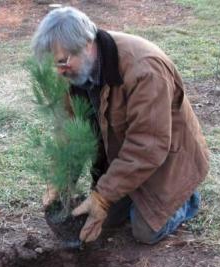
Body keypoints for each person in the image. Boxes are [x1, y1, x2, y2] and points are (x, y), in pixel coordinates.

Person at [32, 7, 210, 244]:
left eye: (63, 62)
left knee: (145, 232)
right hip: (123, 155)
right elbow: (69, 130)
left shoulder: (145, 69)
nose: (59, 71)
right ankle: (132, 195)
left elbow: (149, 145)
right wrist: (60, 179)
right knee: (104, 222)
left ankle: (185, 198)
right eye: (53, 64)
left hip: (168, 159)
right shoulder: (72, 72)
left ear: (86, 43)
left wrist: (103, 197)